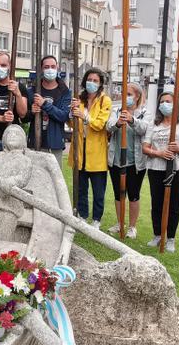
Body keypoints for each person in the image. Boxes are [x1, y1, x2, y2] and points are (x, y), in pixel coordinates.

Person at [141, 93, 179, 252]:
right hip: (156, 168)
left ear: (175, 104)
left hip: (175, 169)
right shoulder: (153, 124)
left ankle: (170, 238)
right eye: (162, 102)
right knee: (156, 202)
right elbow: (145, 147)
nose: (165, 104)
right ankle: (157, 234)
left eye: (168, 101)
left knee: (173, 204)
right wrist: (159, 153)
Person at [69, 68, 113, 227]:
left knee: (98, 191)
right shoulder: (78, 99)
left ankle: (96, 220)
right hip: (80, 149)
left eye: (95, 81)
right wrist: (71, 112)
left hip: (97, 152)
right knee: (81, 188)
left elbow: (100, 124)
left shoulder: (104, 100)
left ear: (100, 83)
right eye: (89, 80)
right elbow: (71, 124)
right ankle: (82, 215)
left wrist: (84, 116)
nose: (92, 83)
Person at [106, 82, 148, 239]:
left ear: (137, 96)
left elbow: (145, 129)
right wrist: (118, 123)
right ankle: (119, 223)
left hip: (135, 162)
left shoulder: (143, 112)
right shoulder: (116, 110)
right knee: (119, 193)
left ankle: (132, 227)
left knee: (133, 194)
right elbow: (108, 126)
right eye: (124, 94)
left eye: (129, 94)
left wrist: (132, 120)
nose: (126, 97)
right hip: (117, 159)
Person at [26, 55, 72, 166]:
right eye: (46, 67)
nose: (50, 69)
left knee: (55, 180)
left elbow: (63, 116)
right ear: (41, 69)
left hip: (55, 144)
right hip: (35, 143)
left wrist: (44, 104)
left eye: (53, 66)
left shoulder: (65, 92)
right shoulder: (32, 90)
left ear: (57, 68)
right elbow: (23, 117)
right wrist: (31, 112)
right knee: (35, 179)